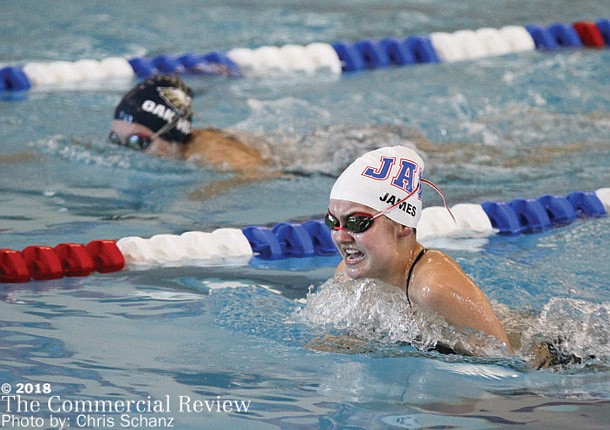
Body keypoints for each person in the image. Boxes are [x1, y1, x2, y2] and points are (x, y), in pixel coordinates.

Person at [325, 145, 514, 354]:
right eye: (332, 221)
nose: (340, 236)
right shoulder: (347, 275)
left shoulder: (434, 287)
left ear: (403, 225)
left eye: (356, 222)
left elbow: (503, 359)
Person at [109, 74, 276, 197]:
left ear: (171, 133)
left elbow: (261, 174)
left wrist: (204, 193)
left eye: (138, 141)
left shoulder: (209, 152)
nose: (126, 151)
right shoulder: (176, 152)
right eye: (115, 139)